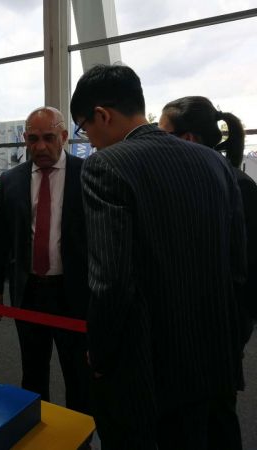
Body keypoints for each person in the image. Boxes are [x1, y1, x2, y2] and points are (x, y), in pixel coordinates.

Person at [71, 64, 246, 449]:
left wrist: (99, 353)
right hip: (211, 359)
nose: (90, 142)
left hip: (145, 368)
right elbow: (237, 266)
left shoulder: (106, 165)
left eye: (84, 128)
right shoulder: (214, 162)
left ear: (102, 115)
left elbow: (111, 281)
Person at [0, 107, 90, 412]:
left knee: (78, 374)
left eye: (48, 138)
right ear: (25, 139)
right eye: (33, 139)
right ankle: (37, 427)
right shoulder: (11, 180)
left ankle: (79, 434)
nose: (40, 146)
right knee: (32, 371)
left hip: (74, 292)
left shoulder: (87, 174)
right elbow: (0, 238)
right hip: (29, 290)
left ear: (64, 136)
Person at [159, 95, 257, 380]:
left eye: (162, 135)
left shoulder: (238, 187)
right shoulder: (182, 183)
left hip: (218, 326)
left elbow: (248, 269)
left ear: (187, 139)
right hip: (182, 323)